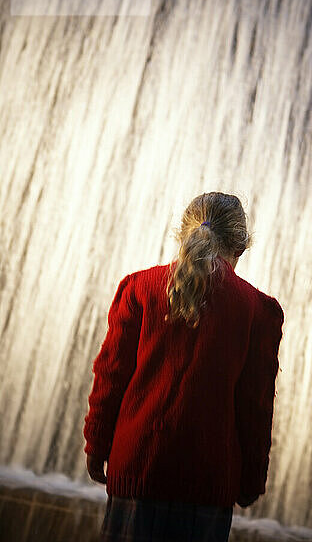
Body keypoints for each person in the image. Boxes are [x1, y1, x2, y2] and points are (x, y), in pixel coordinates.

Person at [83, 191, 284, 542]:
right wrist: (252, 478)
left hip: (136, 471)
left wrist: (97, 446)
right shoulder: (258, 311)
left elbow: (111, 377)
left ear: (184, 234)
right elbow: (255, 407)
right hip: (207, 487)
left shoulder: (139, 289)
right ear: (240, 247)